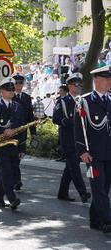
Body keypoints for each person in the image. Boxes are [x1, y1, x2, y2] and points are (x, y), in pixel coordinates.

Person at [74, 65, 111, 233]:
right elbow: (79, 128)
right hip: (93, 154)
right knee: (98, 187)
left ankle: (95, 220)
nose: (109, 83)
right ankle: (107, 221)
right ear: (97, 81)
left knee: (104, 188)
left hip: (109, 153)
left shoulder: (110, 101)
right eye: (106, 80)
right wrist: (82, 151)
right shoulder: (84, 101)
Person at [0, 77, 25, 209]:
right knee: (6, 170)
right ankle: (12, 198)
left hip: (14, 144)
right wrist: (3, 130)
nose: (12, 91)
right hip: (0, 143)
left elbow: (22, 128)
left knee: (11, 172)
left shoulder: (18, 106)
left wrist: (22, 148)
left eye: (13, 89)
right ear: (1, 91)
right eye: (9, 89)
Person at [52, 73, 91, 203]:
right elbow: (55, 119)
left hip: (81, 140)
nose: (79, 86)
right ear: (69, 86)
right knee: (74, 166)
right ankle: (83, 193)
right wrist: (71, 122)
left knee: (70, 168)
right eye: (76, 84)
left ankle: (62, 193)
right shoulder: (63, 101)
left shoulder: (83, 100)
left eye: (80, 84)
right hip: (68, 140)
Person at [12, 72, 36, 190]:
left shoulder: (26, 98)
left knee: (19, 156)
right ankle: (16, 180)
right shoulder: (9, 96)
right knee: (13, 157)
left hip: (23, 132)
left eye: (20, 83)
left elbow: (30, 116)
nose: (18, 85)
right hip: (11, 132)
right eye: (16, 83)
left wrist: (34, 133)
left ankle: (14, 179)